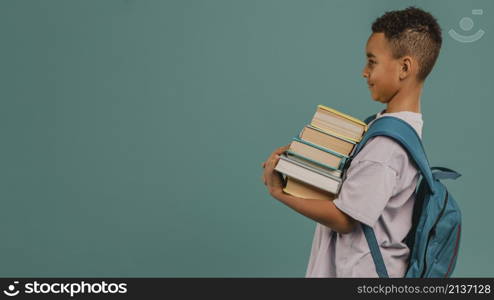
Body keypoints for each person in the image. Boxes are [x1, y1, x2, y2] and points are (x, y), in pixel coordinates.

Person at [261, 6, 443, 277]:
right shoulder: (395, 129)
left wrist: (280, 192)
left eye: (372, 62)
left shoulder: (386, 146)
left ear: (404, 67)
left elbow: (346, 219)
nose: (364, 72)